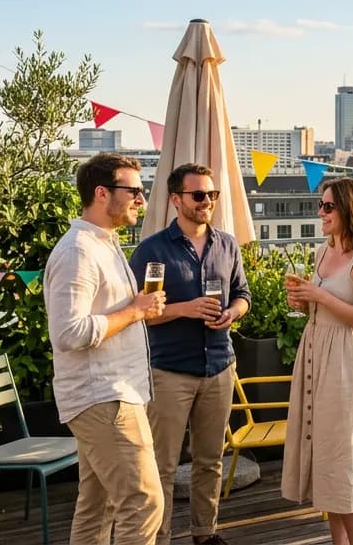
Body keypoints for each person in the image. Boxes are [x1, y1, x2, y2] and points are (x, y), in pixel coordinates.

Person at [46, 152, 166, 545]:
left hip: (117, 391)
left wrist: (139, 310)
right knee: (143, 502)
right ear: (101, 193)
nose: (141, 200)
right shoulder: (77, 251)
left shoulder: (104, 243)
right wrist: (134, 312)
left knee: (98, 506)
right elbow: (69, 332)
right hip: (104, 396)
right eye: (133, 191)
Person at [131, 164, 251, 545]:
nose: (207, 202)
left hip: (218, 365)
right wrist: (185, 308)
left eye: (212, 195)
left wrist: (232, 312)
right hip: (170, 371)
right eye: (198, 195)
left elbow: (243, 295)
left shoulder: (227, 244)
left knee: (210, 460)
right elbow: (138, 313)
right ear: (176, 200)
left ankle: (205, 533)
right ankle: (160, 537)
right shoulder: (152, 249)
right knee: (162, 465)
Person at [282, 178, 353, 545]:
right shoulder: (323, 251)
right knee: (325, 458)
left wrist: (319, 297)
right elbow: (321, 303)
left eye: (328, 207)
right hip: (314, 355)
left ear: (349, 210)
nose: (321, 213)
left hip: (345, 362)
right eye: (321, 205)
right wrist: (304, 301)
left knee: (345, 464)